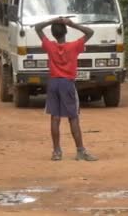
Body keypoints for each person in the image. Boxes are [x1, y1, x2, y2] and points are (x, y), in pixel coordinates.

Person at [34, 17, 98, 162]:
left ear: (53, 33)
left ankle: (57, 152)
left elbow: (37, 27)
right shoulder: (73, 46)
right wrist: (73, 24)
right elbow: (90, 32)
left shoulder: (50, 46)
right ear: (66, 32)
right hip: (67, 84)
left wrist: (52, 20)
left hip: (53, 83)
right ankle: (80, 151)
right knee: (73, 117)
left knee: (55, 118)